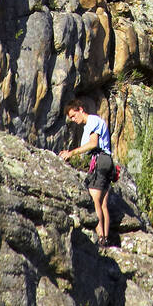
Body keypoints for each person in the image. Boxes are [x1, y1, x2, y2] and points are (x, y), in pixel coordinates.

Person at [60, 100, 115, 249]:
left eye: (73, 115)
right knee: (103, 203)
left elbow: (93, 144)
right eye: (71, 118)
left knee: (95, 200)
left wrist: (71, 153)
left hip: (99, 160)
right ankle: (105, 237)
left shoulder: (92, 121)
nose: (73, 119)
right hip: (107, 160)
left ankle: (101, 238)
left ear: (81, 109)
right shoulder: (94, 122)